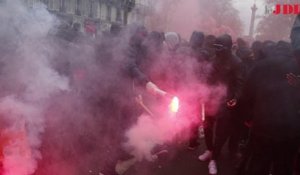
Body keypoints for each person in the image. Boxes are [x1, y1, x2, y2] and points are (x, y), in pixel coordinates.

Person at [237, 15, 300, 175]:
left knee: (258, 164)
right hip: (290, 130)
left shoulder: (261, 66)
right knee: (283, 167)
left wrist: (248, 118)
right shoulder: (296, 66)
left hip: (262, 126)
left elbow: (246, 94)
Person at [198, 34, 243, 175]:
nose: (216, 50)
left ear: (228, 47)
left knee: (221, 132)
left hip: (226, 102)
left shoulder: (237, 63)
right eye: (215, 47)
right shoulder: (213, 60)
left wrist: (236, 97)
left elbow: (240, 83)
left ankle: (214, 159)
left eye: (219, 47)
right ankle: (210, 150)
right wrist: (202, 93)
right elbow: (206, 79)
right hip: (210, 99)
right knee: (207, 126)